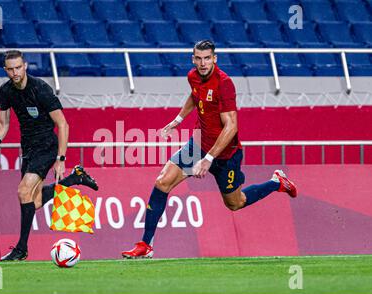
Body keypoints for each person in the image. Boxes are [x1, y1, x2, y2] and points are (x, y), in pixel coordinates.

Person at [121, 40, 297, 259]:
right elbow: (195, 96)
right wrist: (178, 119)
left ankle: (276, 183)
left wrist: (209, 158)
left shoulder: (224, 83)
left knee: (235, 203)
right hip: (198, 145)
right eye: (198, 58)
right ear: (193, 59)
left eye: (207, 58)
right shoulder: (192, 76)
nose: (202, 63)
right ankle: (145, 245)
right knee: (162, 182)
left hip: (225, 155)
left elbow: (231, 126)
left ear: (215, 58)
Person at [0, 50, 98, 261]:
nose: (15, 72)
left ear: (25, 66)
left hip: (46, 146)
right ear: (5, 70)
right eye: (10, 69)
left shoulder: (41, 89)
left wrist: (61, 159)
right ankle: (75, 178)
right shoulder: (6, 91)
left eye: (18, 67)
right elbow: (3, 123)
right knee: (33, 202)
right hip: (28, 148)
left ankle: (21, 249)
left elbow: (63, 124)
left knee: (22, 191)